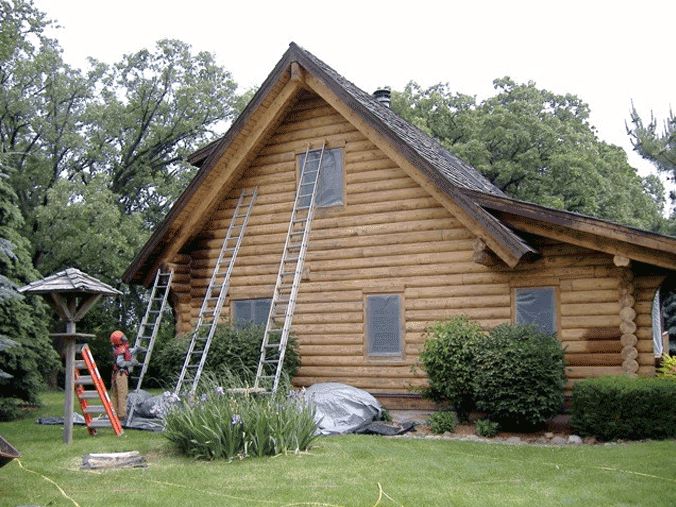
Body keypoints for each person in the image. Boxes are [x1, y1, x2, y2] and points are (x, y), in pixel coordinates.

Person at [109, 330, 139, 420]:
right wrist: (132, 363)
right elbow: (121, 363)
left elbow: (128, 352)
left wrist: (137, 350)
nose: (125, 338)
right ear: (119, 340)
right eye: (122, 338)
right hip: (121, 374)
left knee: (114, 395)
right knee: (123, 394)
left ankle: (113, 414)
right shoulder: (121, 349)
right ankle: (122, 415)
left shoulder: (117, 348)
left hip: (115, 374)